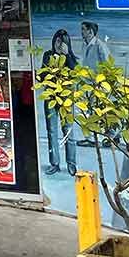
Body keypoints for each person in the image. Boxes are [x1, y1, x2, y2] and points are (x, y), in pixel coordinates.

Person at [41, 30, 77, 176]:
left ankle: (71, 163)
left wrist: (66, 55)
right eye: (57, 41)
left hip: (66, 98)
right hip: (51, 96)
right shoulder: (47, 55)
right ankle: (54, 163)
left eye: (62, 42)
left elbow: (75, 72)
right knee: (52, 132)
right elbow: (41, 75)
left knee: (68, 130)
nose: (59, 45)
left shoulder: (71, 58)